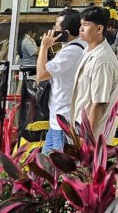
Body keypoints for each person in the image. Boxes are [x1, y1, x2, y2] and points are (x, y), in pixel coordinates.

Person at [37, 11, 86, 151]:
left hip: (63, 120)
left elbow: (41, 74)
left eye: (57, 26)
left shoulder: (70, 53)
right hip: (59, 119)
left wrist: (44, 47)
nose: (53, 30)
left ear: (66, 31)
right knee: (46, 164)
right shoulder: (81, 46)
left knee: (58, 168)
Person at [70, 6, 118, 141]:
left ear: (99, 29)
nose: (80, 29)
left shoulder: (102, 60)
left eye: (86, 25)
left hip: (93, 136)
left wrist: (87, 137)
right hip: (79, 128)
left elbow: (98, 103)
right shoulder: (88, 51)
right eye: (81, 25)